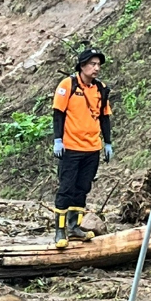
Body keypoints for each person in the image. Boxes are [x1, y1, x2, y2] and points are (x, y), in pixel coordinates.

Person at [52, 47, 112, 248]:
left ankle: (74, 227)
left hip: (92, 149)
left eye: (99, 65)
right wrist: (57, 140)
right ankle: (59, 231)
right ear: (82, 66)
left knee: (82, 189)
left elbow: (105, 117)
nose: (97, 68)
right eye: (93, 64)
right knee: (66, 188)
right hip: (71, 148)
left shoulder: (101, 89)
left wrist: (108, 142)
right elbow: (58, 114)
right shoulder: (67, 85)